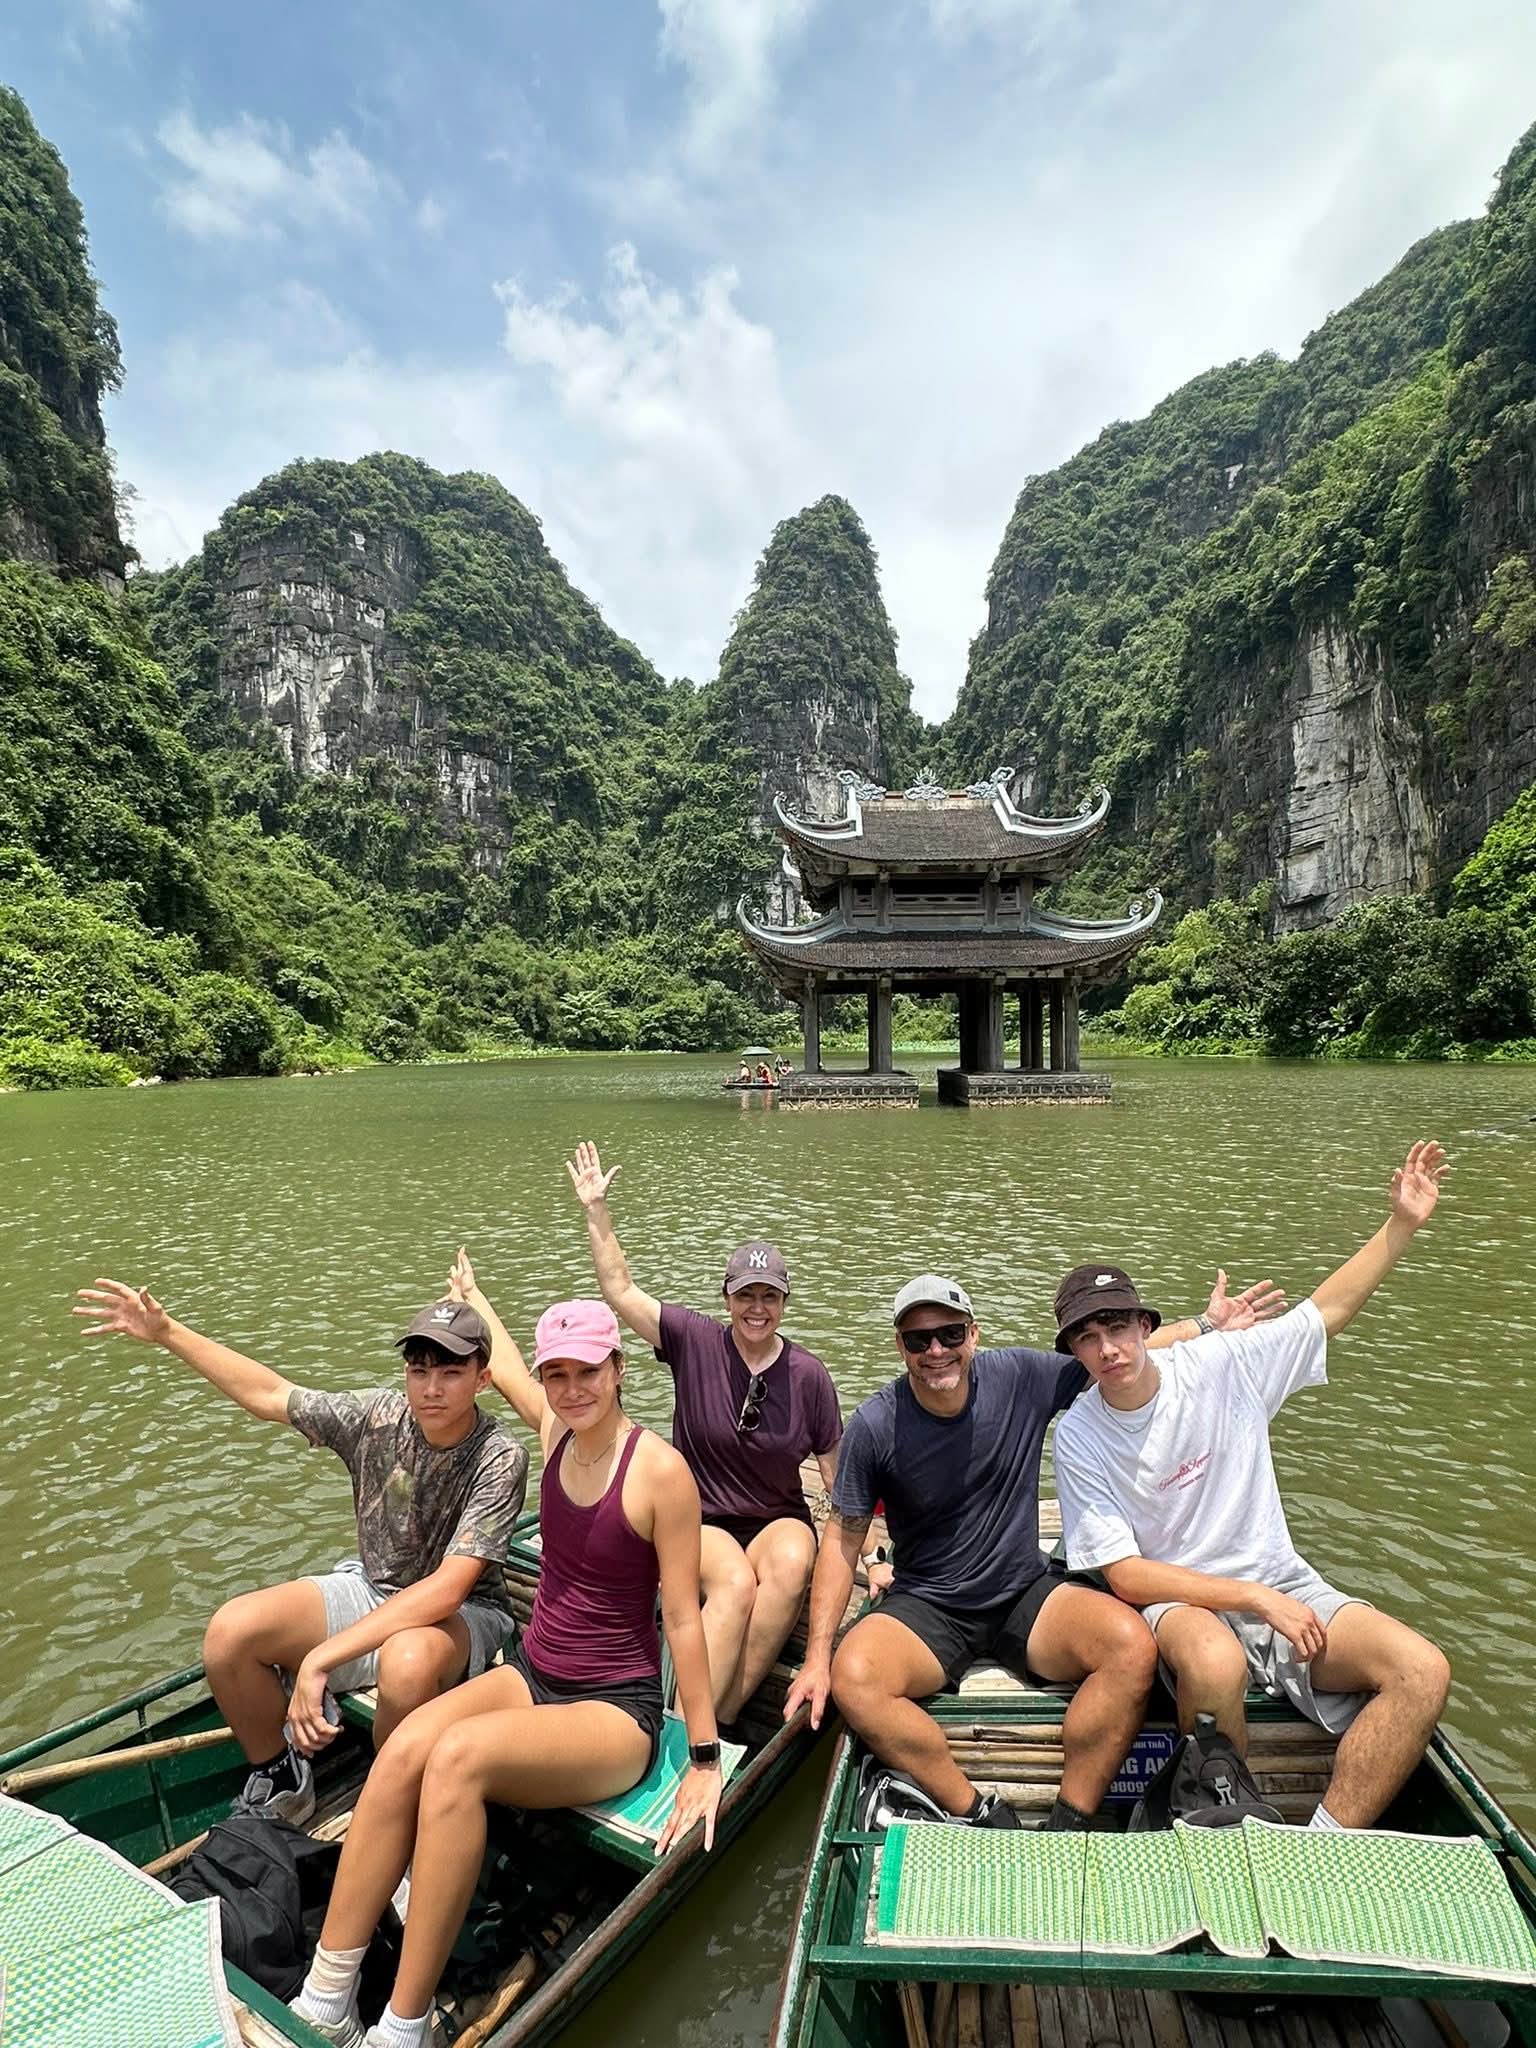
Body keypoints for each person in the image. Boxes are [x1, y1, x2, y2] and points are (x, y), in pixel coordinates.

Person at [291, 1258, 721, 2048]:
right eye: (557, 1375)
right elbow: (511, 1368)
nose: (569, 1389)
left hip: (612, 1710)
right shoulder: (558, 1434)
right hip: (533, 1672)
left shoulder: (659, 1473)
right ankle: (328, 1992)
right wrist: (475, 1299)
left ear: (618, 1370)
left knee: (455, 1761)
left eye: (586, 1371)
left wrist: (701, 1756)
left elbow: (686, 1621)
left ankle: (405, 2024)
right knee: (405, 1746)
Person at [786, 1267, 1284, 1829]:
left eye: (950, 1334)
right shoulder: (877, 1424)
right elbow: (842, 1540)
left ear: (973, 1335)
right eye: (918, 1339)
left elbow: (1115, 1357)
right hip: (929, 1604)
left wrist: (1207, 1324)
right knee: (855, 1676)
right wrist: (816, 1659)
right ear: (901, 1346)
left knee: (1130, 1647)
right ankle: (976, 1811)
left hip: (1023, 1590)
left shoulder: (1017, 1376)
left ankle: (1071, 1818)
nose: (936, 1351)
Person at [1050, 1139, 1453, 1831]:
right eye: (1087, 1338)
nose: (1107, 1348)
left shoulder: (1222, 1365)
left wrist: (1401, 1225)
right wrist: (1252, 1599)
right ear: (1075, 1352)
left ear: (1146, 1328)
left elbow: (1326, 1313)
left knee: (1422, 1671)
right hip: (1184, 1597)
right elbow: (1125, 1575)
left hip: (1282, 1583)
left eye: (1117, 1326)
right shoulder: (1081, 1432)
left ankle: (1321, 1849)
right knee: (1213, 1658)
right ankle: (1225, 1819)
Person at [72, 1279, 527, 1826]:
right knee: (231, 1634)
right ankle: (283, 1773)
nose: (432, 1388)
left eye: (451, 1373)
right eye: (419, 1371)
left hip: (462, 1615)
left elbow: (449, 1588)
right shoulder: (377, 1417)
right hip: (373, 1586)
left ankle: (391, 1805)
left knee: (406, 1665)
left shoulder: (499, 1456)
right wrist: (168, 1333)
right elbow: (271, 1395)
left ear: (482, 1378)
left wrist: (320, 1660)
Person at [566, 1139, 844, 1723]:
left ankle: (711, 1723)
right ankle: (693, 1729)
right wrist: (596, 1211)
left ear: (785, 1303)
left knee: (795, 1557)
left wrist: (873, 1552)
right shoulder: (694, 1341)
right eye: (746, 1295)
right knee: (737, 1584)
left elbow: (836, 1477)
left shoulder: (809, 1375)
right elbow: (620, 1291)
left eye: (770, 1296)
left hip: (775, 1518)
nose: (757, 1308)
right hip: (701, 1519)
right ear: (727, 1297)